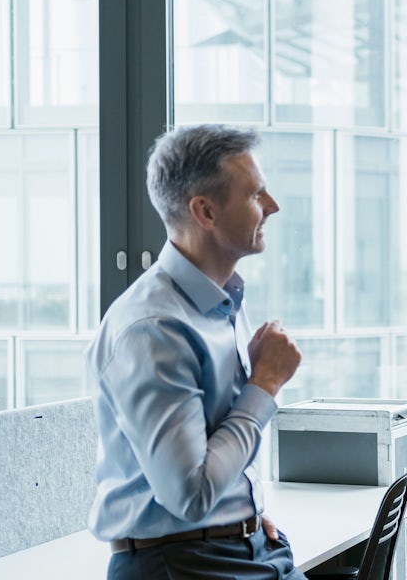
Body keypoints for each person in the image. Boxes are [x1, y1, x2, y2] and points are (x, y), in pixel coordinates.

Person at [87, 124, 306, 579]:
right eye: (256, 195)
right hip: (185, 566)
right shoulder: (154, 329)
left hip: (244, 549)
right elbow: (190, 495)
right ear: (205, 211)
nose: (273, 206)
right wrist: (264, 384)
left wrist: (242, 517)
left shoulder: (222, 304)